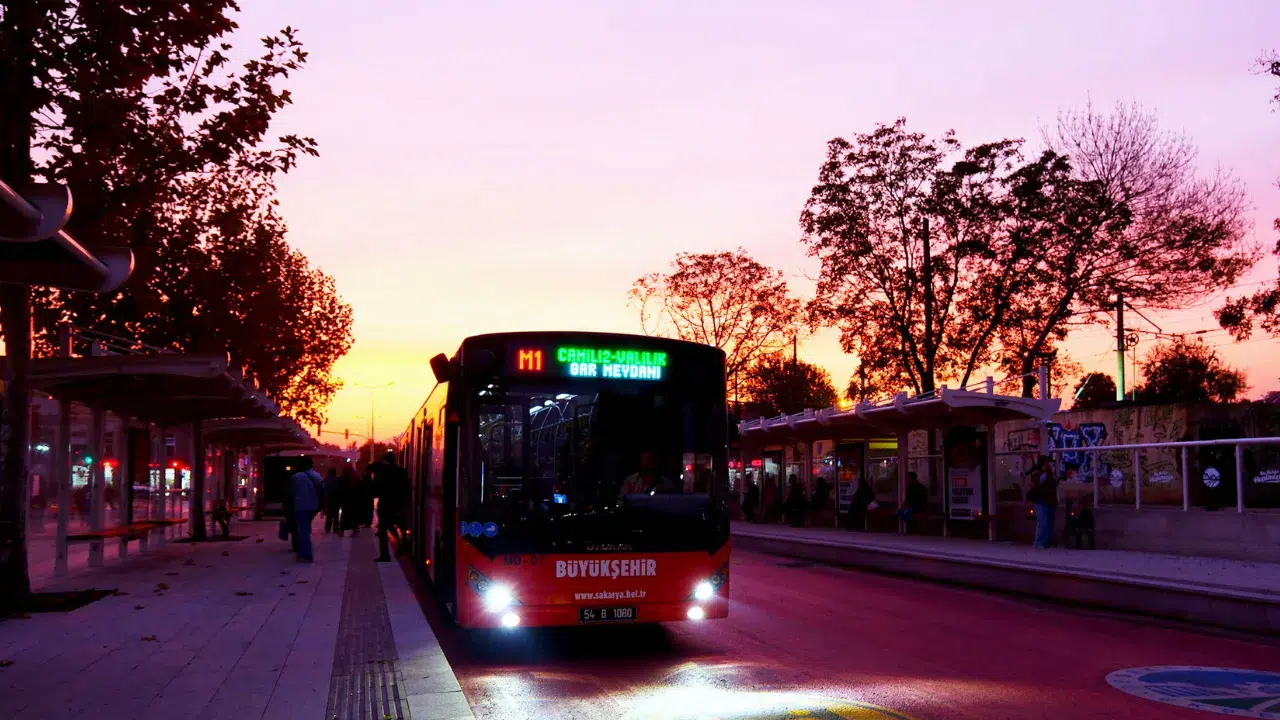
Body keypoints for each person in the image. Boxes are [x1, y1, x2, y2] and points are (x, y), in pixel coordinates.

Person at [372, 452, 410, 562]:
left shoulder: (382, 473)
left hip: (385, 505)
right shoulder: (402, 472)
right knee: (398, 526)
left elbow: (375, 490)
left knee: (383, 529)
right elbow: (406, 488)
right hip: (399, 505)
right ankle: (402, 543)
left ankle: (385, 554)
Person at [289, 456, 325, 562]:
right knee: (305, 528)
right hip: (314, 506)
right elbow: (323, 491)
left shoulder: (296, 477)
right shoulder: (317, 476)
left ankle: (306, 554)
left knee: (302, 530)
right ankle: (302, 552)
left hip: (301, 506)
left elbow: (291, 492)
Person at [1027, 456, 1059, 549]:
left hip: (1050, 500)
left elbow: (1056, 483)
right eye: (1046, 463)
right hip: (1040, 500)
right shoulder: (1038, 474)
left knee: (1049, 521)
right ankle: (1038, 542)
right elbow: (1035, 485)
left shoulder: (1051, 474)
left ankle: (1047, 541)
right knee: (1042, 521)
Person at [323, 467, 343, 534]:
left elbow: (324, 490)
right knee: (336, 514)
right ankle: (335, 528)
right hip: (337, 499)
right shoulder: (338, 480)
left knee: (329, 515)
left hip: (329, 500)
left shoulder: (326, 480)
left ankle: (327, 528)